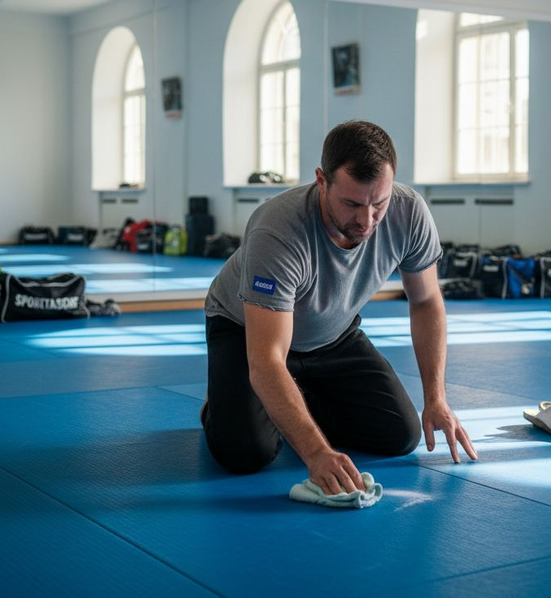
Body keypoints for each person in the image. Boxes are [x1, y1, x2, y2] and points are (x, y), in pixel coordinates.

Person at [202, 120, 477, 495]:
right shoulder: (277, 231)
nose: (366, 220)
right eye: (351, 203)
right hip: (246, 330)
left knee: (400, 435)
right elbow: (267, 359)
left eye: (378, 203)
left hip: (332, 333)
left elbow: (427, 301)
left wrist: (436, 398)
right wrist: (316, 453)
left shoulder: (409, 212)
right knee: (246, 454)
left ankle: (299, 397)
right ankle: (222, 405)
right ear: (321, 180)